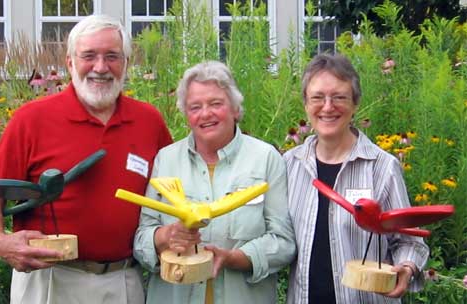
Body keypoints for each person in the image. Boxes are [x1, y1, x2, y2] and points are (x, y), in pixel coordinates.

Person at [0, 15, 172, 303]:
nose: (101, 67)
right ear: (69, 63)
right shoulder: (32, 119)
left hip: (123, 280)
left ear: (126, 63)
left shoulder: (148, 121)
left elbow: (173, 190)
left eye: (112, 57)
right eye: (89, 56)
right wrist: (1, 242)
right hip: (50, 280)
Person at [134, 61, 296, 304]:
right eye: (195, 107)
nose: (205, 114)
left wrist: (233, 257)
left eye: (216, 104)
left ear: (235, 108)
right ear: (186, 115)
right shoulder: (166, 160)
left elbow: (283, 242)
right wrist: (165, 236)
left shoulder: (265, 159)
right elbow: (140, 240)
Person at [284, 54, 429, 303]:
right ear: (306, 104)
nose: (328, 107)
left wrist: (406, 268)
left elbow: (410, 241)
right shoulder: (290, 165)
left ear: (355, 103)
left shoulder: (381, 167)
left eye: (339, 97)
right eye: (318, 97)